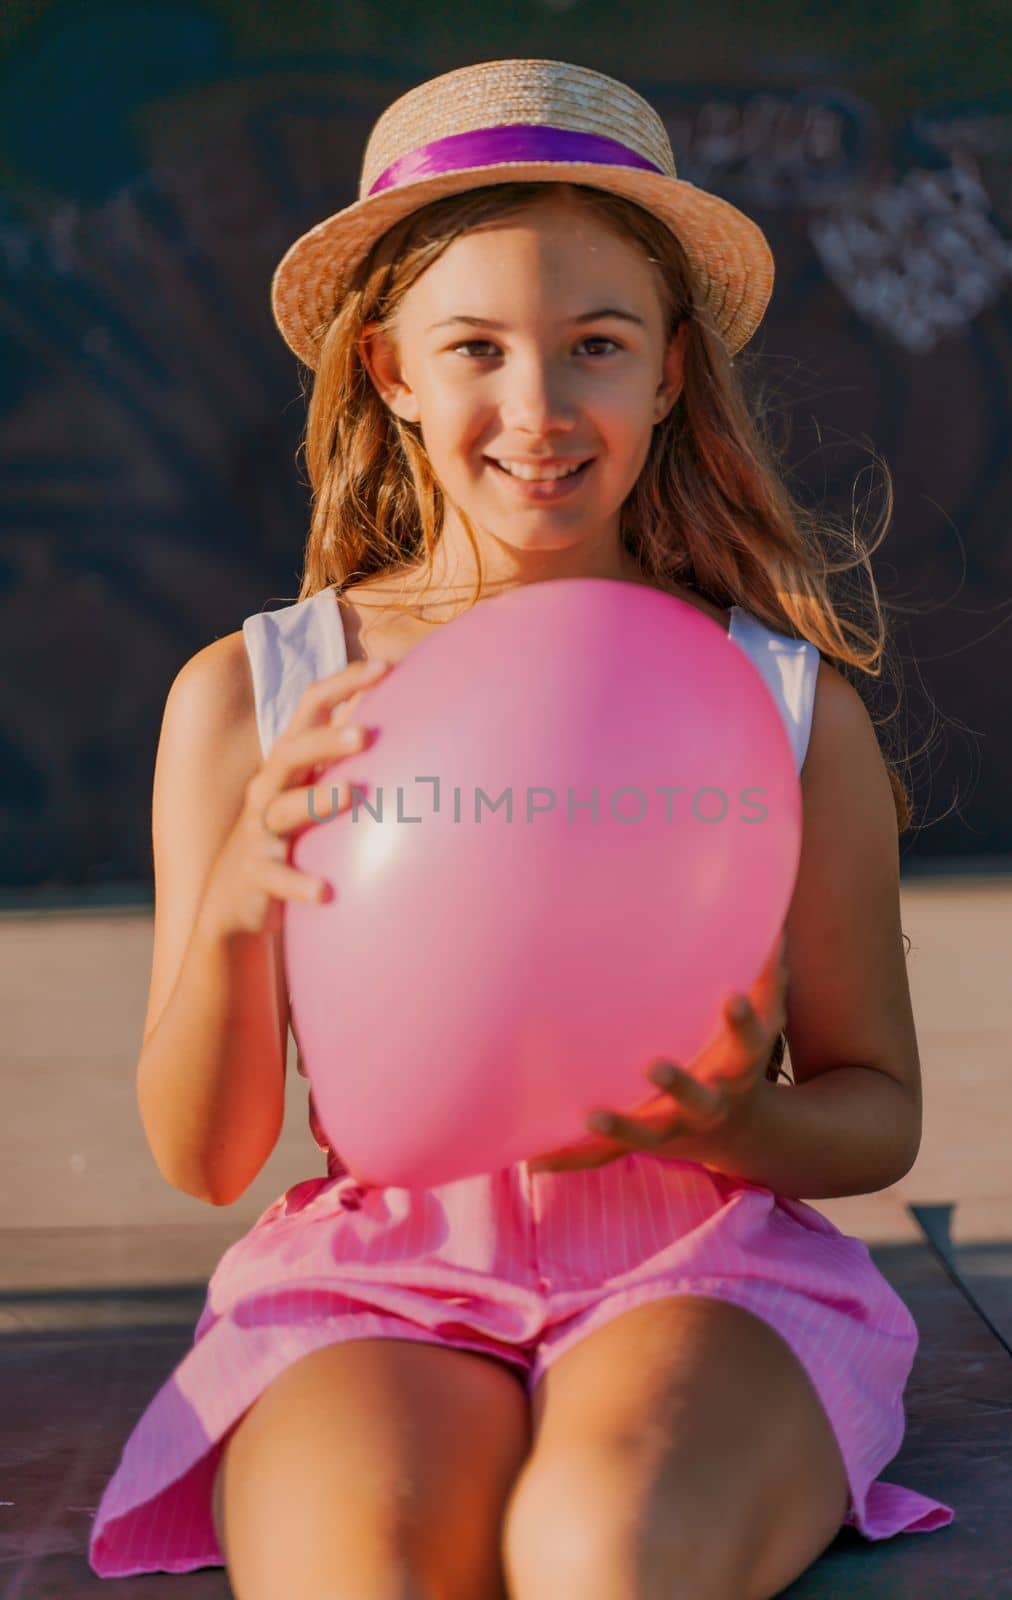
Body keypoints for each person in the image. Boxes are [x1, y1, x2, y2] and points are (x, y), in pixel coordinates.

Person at [88, 56, 954, 1598]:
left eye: (597, 345)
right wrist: (232, 905)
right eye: (474, 346)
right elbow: (205, 1153)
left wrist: (729, 1126)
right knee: (374, 1573)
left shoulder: (772, 700)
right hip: (380, 1286)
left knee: (602, 1554)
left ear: (672, 372)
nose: (540, 408)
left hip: (705, 1273)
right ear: (388, 371)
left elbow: (876, 1107)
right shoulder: (256, 695)